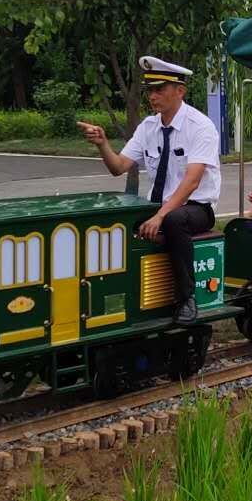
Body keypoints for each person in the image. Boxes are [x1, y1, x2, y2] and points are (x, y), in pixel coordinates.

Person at [80, 57, 220, 325]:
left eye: (160, 90)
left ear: (180, 91)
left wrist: (159, 216)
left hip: (195, 207)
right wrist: (102, 144)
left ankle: (187, 299)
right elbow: (119, 166)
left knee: (173, 220)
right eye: (150, 91)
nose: (153, 96)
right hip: (157, 207)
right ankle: (115, 301)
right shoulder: (148, 127)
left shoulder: (201, 127)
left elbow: (191, 182)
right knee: (113, 222)